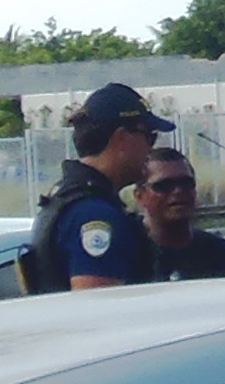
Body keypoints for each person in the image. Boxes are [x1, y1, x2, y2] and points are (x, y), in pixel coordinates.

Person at [27, 82, 169, 292]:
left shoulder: (68, 198)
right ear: (122, 138)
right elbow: (98, 305)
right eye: (149, 136)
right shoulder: (94, 215)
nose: (151, 149)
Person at [138, 151, 225, 280]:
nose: (178, 191)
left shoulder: (219, 253)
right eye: (164, 185)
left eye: (186, 183)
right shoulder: (129, 254)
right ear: (140, 196)